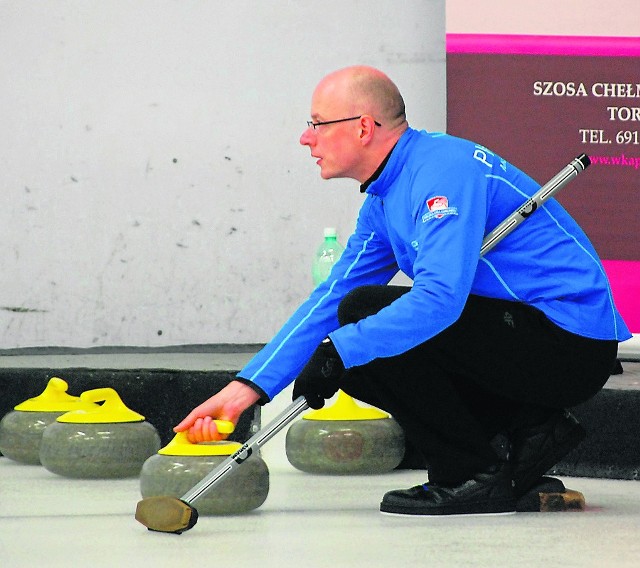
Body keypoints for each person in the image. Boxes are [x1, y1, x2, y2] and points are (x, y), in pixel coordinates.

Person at [175, 65, 631, 516]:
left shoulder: (441, 172)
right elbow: (331, 298)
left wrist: (340, 349)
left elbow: (439, 300)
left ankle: (471, 475)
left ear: (363, 128)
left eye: (316, 124)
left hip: (568, 344)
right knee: (350, 318)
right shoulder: (383, 197)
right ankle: (527, 429)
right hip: (518, 340)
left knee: (361, 321)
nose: (305, 138)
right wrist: (247, 388)